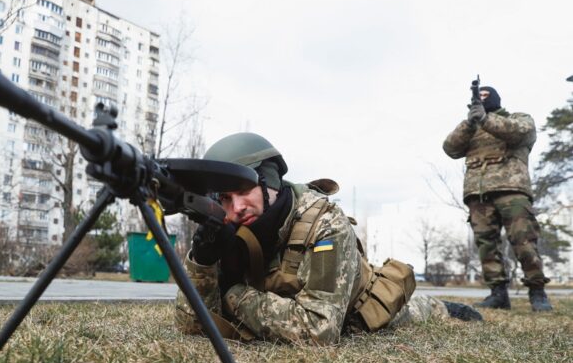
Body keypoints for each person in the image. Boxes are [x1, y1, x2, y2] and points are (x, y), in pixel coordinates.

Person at [175, 133, 481, 345]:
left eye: (244, 191)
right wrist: (201, 262)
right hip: (288, 300)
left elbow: (318, 331)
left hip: (359, 306)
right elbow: (190, 324)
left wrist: (233, 295)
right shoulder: (228, 225)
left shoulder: (325, 223)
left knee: (419, 309)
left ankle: (446, 306)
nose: (236, 208)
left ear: (268, 180)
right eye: (225, 198)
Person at [443, 85, 552, 312]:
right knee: (486, 246)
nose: (482, 100)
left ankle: (537, 291)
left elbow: (521, 132)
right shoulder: (472, 128)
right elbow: (450, 148)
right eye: (478, 97)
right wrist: (470, 123)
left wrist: (486, 119)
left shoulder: (518, 118)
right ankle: (498, 293)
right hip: (478, 194)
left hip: (512, 189)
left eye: (485, 96)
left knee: (524, 243)